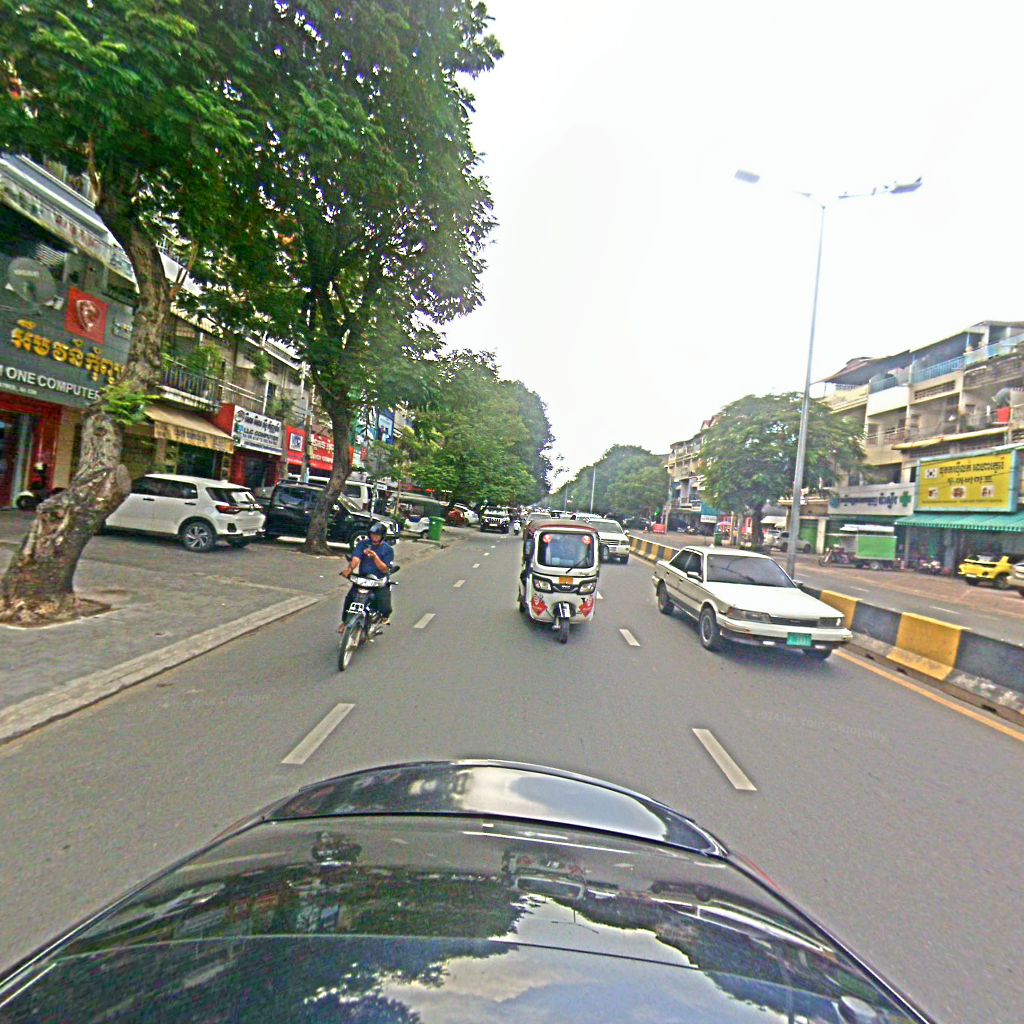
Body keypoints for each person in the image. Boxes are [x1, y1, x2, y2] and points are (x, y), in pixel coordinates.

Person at [340, 522, 394, 630]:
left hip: (378, 580)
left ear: (382, 536)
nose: (374, 537)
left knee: (385, 606)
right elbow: (356, 558)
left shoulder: (388, 550)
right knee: (350, 598)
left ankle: (381, 618)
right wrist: (349, 569)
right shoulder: (363, 544)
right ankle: (345, 622)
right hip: (363, 578)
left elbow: (384, 569)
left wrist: (375, 557)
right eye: (372, 535)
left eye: (377, 535)